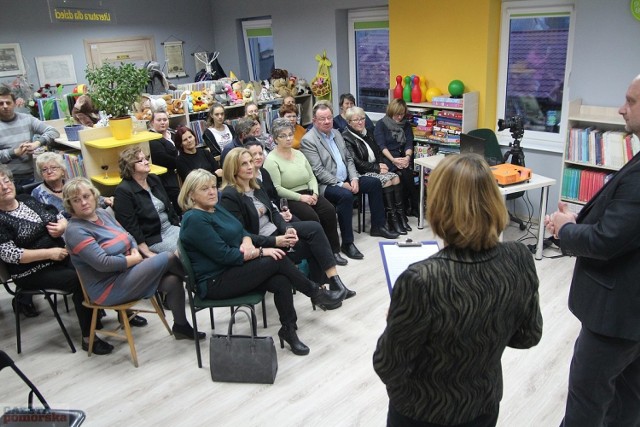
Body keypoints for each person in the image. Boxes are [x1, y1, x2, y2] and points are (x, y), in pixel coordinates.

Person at [373, 154, 543, 427]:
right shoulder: (519, 257)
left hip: (422, 413)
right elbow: (528, 336)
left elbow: (388, 366)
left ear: (439, 205)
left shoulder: (421, 280)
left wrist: (396, 319)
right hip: (483, 404)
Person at [545, 74, 640, 427]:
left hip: (616, 317)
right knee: (628, 399)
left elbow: (607, 241)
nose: (621, 108)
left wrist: (567, 229)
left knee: (588, 401)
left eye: (631, 101)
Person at [178, 169, 342, 355]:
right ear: (191, 194)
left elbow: (241, 231)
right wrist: (261, 251)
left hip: (234, 269)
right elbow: (225, 256)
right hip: (215, 281)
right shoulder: (194, 219)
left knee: (281, 280)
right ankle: (315, 292)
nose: (212, 192)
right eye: (204, 189)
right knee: (276, 260)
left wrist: (248, 242)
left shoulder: (215, 208)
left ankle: (289, 329)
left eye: (213, 187)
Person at [63, 177, 203, 341]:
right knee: (168, 257)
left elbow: (128, 236)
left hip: (128, 272)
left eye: (86, 196)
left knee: (172, 281)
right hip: (107, 287)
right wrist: (133, 260)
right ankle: (199, 286)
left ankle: (181, 327)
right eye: (76, 200)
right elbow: (103, 263)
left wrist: (135, 252)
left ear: (94, 195)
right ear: (70, 205)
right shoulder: (75, 230)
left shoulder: (101, 214)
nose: (84, 202)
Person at [0, 165, 114, 354]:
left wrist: (62, 224)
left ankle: (122, 312)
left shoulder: (26, 199)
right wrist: (49, 253)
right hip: (31, 271)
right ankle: (89, 338)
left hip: (60, 256)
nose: (5, 187)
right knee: (80, 280)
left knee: (98, 262)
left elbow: (56, 213)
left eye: (7, 181)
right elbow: (11, 254)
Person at [219, 147, 354, 301]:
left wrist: (287, 229)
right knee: (313, 244)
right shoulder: (229, 196)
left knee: (315, 229)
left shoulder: (256, 183)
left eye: (250, 162)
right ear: (233, 168)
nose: (250, 166)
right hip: (262, 243)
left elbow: (274, 212)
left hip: (276, 232)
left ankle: (334, 283)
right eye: (244, 164)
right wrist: (275, 240)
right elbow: (241, 234)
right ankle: (322, 294)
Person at [300, 101, 399, 261]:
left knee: (374, 183)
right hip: (326, 185)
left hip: (347, 178)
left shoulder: (337, 133)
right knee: (345, 196)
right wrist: (341, 184)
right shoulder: (308, 140)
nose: (326, 122)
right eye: (322, 119)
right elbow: (318, 171)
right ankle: (347, 243)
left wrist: (353, 178)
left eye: (329, 118)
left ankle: (378, 226)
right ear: (314, 121)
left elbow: (348, 159)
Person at [263, 118, 348, 266]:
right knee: (312, 217)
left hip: (309, 192)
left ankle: (334, 251)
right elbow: (277, 188)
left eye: (290, 134)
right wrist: (301, 198)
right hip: (291, 197)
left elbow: (311, 176)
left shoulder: (299, 153)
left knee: (328, 210)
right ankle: (321, 255)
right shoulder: (271, 160)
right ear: (276, 139)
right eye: (283, 136)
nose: (289, 138)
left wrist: (315, 193)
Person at [342, 106, 407, 235]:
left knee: (396, 177)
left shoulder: (368, 132)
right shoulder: (346, 137)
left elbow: (378, 151)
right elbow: (356, 162)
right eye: (356, 120)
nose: (360, 122)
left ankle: (397, 217)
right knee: (386, 181)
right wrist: (377, 168)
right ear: (349, 122)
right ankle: (387, 222)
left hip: (374, 167)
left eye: (362, 118)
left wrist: (381, 163)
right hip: (360, 172)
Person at [113, 146, 180, 258]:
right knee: (187, 248)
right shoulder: (123, 191)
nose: (146, 162)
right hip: (154, 239)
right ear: (130, 166)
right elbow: (131, 227)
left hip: (172, 228)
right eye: (141, 160)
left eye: (146, 158)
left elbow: (169, 207)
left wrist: (178, 225)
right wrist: (146, 252)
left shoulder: (153, 179)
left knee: (198, 238)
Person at [0, 86, 59, 185]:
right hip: (4, 180)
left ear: (14, 104)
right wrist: (14, 153)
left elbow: (53, 131)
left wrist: (37, 143)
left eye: (8, 102)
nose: (5, 106)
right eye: (1, 103)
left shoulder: (27, 119)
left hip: (28, 177)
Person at [30, 152, 113, 219]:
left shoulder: (72, 184)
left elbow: (91, 198)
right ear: (41, 174)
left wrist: (106, 200)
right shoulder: (37, 193)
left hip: (86, 222)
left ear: (62, 170)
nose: (49, 172)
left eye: (53, 167)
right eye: (44, 169)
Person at [374, 98, 419, 218]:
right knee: (403, 174)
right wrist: (394, 160)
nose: (400, 117)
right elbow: (381, 146)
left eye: (402, 114)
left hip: (402, 156)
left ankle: (408, 208)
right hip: (387, 157)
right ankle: (406, 209)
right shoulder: (381, 124)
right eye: (397, 114)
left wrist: (407, 157)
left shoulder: (406, 125)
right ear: (391, 111)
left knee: (407, 173)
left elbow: (409, 143)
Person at [148, 110, 181, 215]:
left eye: (165, 120)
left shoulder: (173, 134)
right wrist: (181, 160)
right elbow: (163, 159)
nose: (163, 122)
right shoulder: (152, 138)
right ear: (152, 122)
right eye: (159, 120)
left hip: (180, 171)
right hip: (166, 177)